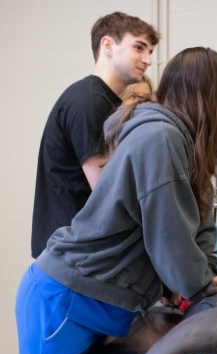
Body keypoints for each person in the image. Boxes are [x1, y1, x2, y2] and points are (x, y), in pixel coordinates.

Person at [15, 47, 217, 354]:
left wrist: (205, 277)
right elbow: (169, 239)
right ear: (212, 97)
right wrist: (200, 289)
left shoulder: (186, 146)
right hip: (67, 296)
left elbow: (199, 228)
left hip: (107, 301)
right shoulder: (159, 138)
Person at [31, 12, 160, 259]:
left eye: (150, 52)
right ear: (108, 45)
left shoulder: (105, 102)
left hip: (81, 254)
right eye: (139, 47)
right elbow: (108, 193)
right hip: (70, 258)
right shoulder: (89, 102)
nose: (147, 60)